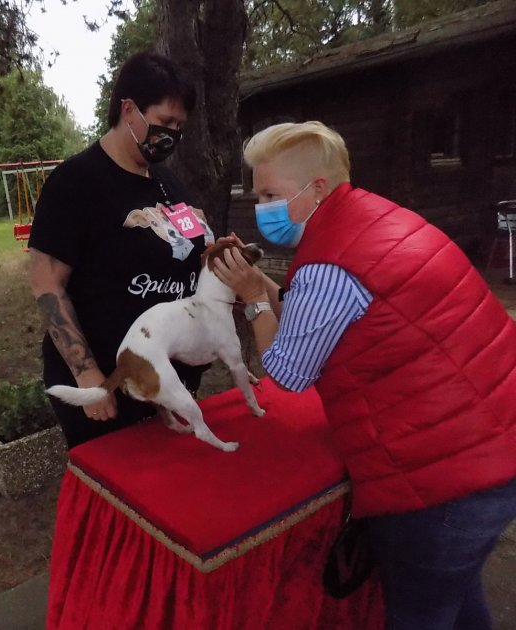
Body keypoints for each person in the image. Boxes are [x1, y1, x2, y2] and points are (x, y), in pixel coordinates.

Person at [213, 120, 516, 630]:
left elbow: (287, 371)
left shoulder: (329, 265)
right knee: (458, 599)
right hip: (492, 441)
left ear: (317, 189)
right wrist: (261, 280)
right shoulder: (373, 219)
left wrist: (250, 299)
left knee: (420, 613)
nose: (261, 207)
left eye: (270, 195)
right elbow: (315, 318)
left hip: (442, 480)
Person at [28, 52, 215, 449]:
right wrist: (87, 375)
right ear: (129, 110)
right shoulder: (75, 183)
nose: (173, 134)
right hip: (109, 386)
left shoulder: (168, 183)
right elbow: (46, 284)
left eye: (180, 126)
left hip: (167, 380)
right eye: (165, 122)